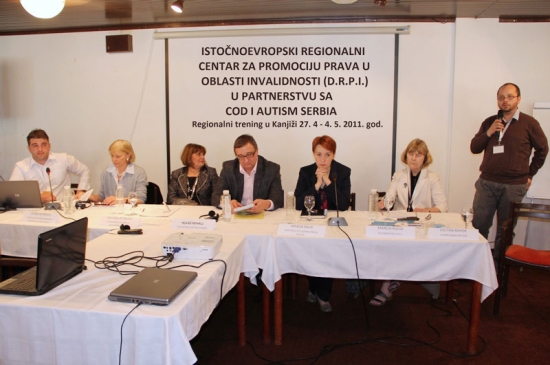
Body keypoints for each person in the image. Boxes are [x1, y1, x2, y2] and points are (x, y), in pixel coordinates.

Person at [470, 83, 548, 264]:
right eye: (501, 97)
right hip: (487, 183)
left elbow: (543, 149)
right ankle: (475, 265)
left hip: (514, 186)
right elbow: (474, 147)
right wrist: (488, 133)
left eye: (509, 96)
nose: (505, 100)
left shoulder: (529, 123)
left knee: (505, 229)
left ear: (518, 99)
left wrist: (530, 174)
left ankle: (498, 268)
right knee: (479, 225)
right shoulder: (490, 122)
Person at [369, 138, 449, 306]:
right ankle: (386, 287)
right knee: (389, 245)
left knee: (413, 252)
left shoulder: (432, 178)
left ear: (425, 158)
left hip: (422, 225)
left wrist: (425, 210)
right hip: (401, 223)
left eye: (418, 155)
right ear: (405, 156)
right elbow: (390, 197)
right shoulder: (398, 176)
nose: (413, 158)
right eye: (411, 154)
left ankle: (402, 279)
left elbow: (442, 207)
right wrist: (384, 203)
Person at [294, 135, 351, 312]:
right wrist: (317, 185)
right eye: (319, 154)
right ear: (313, 154)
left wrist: (328, 182)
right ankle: (313, 287)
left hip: (333, 224)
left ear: (333, 154)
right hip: (311, 223)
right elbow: (298, 203)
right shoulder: (305, 172)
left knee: (328, 253)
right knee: (310, 253)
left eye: (327, 155)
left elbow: (343, 205)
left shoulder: (343, 172)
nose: (323, 160)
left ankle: (323, 296)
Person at [10, 129, 90, 202]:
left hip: (62, 208)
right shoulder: (21, 167)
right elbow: (13, 193)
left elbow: (84, 170)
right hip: (35, 211)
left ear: (49, 146)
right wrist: (39, 198)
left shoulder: (64, 159)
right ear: (29, 148)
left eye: (44, 145)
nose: (40, 149)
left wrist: (81, 191)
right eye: (35, 145)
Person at [211, 134, 284, 213]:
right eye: (241, 156)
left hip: (262, 217)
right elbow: (216, 196)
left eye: (249, 154)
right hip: (235, 216)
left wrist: (266, 204)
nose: (246, 160)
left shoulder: (271, 169)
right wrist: (227, 204)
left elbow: (278, 198)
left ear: (257, 151)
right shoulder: (228, 168)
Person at [90, 140, 148, 205]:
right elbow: (102, 197)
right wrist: (89, 197)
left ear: (128, 156)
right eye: (112, 156)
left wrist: (121, 200)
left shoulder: (139, 172)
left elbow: (141, 199)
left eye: (118, 156)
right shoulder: (106, 172)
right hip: (109, 211)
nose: (114, 159)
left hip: (130, 212)